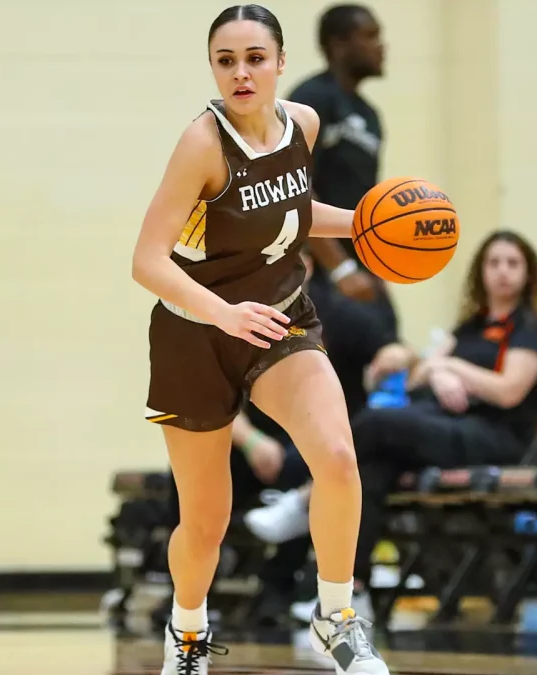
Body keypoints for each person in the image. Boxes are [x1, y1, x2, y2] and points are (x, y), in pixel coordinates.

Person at [130, 5, 389, 674]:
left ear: (279, 63)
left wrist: (371, 224)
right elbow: (147, 260)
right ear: (214, 68)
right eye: (226, 60)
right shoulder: (202, 143)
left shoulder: (303, 123)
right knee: (207, 522)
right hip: (196, 332)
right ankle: (187, 630)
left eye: (254, 57)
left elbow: (295, 215)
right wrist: (222, 312)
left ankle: (336, 616)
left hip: (279, 317)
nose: (241, 72)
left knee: (336, 455)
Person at [348, 230, 537, 608]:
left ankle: (307, 496)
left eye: (513, 263)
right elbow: (417, 378)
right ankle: (355, 589)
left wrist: (450, 365)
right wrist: (438, 373)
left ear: (529, 274)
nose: (502, 272)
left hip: (500, 438)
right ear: (480, 272)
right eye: (493, 262)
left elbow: (508, 390)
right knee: (373, 467)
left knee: (377, 422)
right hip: (450, 427)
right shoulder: (471, 325)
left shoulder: (531, 328)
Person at [287, 5, 399, 417]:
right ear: (339, 44)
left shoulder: (370, 117)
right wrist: (339, 268)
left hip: (362, 266)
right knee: (325, 384)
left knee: (385, 355)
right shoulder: (310, 100)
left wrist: (376, 266)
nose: (381, 45)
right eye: (370, 35)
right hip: (319, 270)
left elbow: (371, 206)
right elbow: (295, 188)